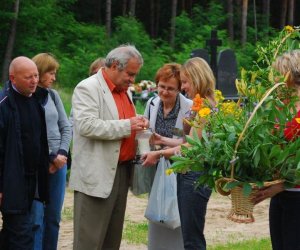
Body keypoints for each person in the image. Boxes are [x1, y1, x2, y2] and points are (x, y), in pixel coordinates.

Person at [69, 44, 148, 250]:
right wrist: (128, 125)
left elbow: (121, 122)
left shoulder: (125, 91)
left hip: (122, 171)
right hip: (96, 175)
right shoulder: (87, 87)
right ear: (114, 66)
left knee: (111, 241)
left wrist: (137, 124)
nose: (133, 80)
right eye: (130, 74)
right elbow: (86, 125)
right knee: (89, 241)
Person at [142, 57, 216, 250]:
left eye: (184, 82)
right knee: (189, 236)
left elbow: (191, 148)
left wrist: (159, 154)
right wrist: (162, 140)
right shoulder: (200, 105)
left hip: (194, 176)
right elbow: (188, 140)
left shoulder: (205, 109)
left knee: (191, 240)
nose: (183, 87)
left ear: (197, 78)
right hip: (189, 175)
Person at [252, 50, 300, 250]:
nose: (275, 83)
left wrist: (280, 186)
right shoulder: (279, 109)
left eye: (279, 76)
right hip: (281, 196)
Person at [0, 56, 49, 249]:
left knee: (13, 231)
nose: (35, 81)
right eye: (28, 77)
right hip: (12, 181)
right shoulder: (4, 105)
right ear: (13, 78)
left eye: (36, 75)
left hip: (33, 179)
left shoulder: (37, 100)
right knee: (22, 234)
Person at [144, 63, 192, 250]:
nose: (164, 92)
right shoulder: (152, 103)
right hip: (158, 167)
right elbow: (149, 131)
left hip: (180, 168)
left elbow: (189, 142)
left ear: (180, 89)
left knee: (177, 214)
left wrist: (161, 141)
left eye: (170, 89)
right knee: (158, 210)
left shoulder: (188, 108)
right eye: (161, 86)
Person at [30, 53, 72, 250]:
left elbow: (66, 127)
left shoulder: (53, 96)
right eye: (51, 73)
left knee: (53, 217)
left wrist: (62, 153)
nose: (54, 78)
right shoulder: (27, 98)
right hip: (39, 165)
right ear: (39, 72)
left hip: (59, 163)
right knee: (36, 219)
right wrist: (50, 158)